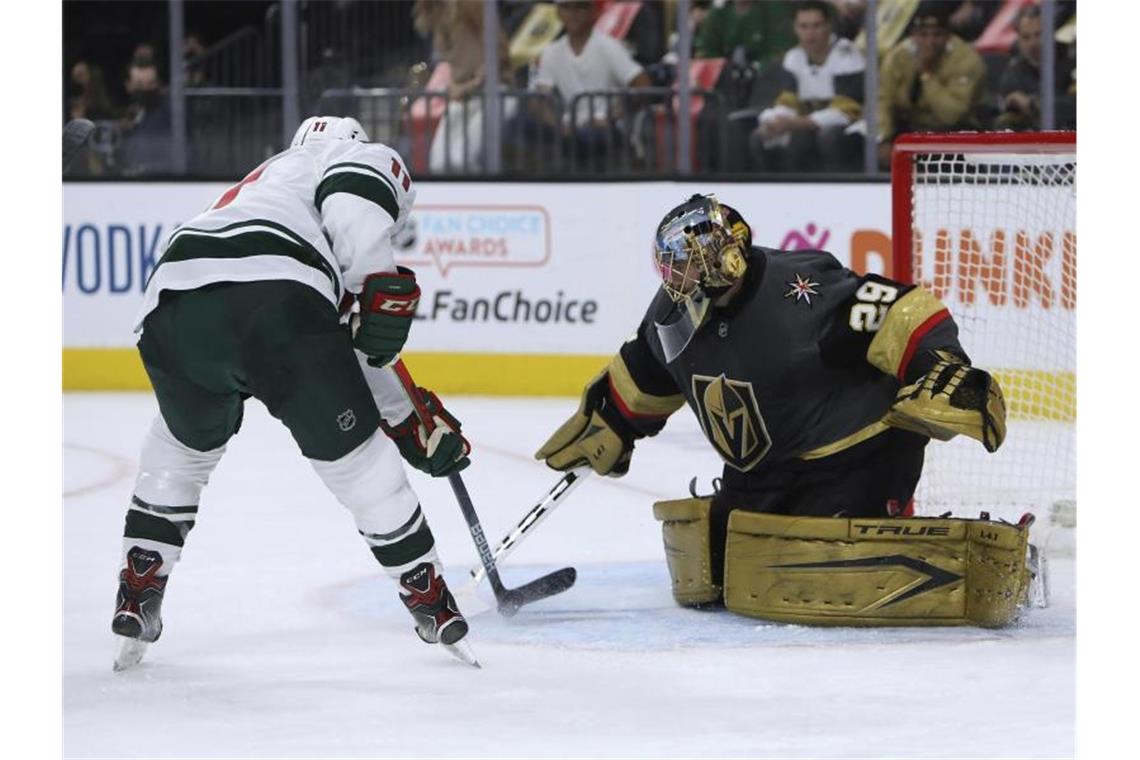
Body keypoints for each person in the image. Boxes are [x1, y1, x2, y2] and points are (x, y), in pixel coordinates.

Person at [111, 116, 477, 670]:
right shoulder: (346, 155)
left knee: (181, 449)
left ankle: (140, 586)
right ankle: (430, 600)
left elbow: (348, 337)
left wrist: (405, 414)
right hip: (280, 303)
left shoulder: (262, 183)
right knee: (361, 469)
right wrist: (379, 280)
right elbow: (353, 201)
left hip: (172, 304)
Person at [536, 194, 1007, 608]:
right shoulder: (672, 313)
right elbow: (647, 369)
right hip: (761, 469)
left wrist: (939, 366)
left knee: (826, 566)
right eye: (671, 264)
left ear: (726, 256)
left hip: (857, 453)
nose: (677, 276)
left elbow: (902, 311)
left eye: (688, 260)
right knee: (719, 576)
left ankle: (890, 513)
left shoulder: (802, 286)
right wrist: (612, 420)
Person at [527, 0, 651, 170]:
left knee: (579, 142)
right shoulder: (552, 52)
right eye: (567, 7)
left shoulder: (608, 47)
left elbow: (643, 85)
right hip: (570, 130)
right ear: (558, 12)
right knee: (518, 128)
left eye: (580, 7)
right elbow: (539, 99)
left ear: (593, 11)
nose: (573, 13)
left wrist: (612, 117)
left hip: (607, 131)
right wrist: (557, 126)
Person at [749, 1, 865, 172]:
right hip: (804, 124)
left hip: (850, 129)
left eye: (816, 26)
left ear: (829, 26)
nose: (810, 33)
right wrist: (775, 121)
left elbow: (847, 112)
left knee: (827, 137)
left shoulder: (847, 55)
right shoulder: (793, 58)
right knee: (760, 136)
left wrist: (796, 123)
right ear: (795, 29)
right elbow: (788, 101)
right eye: (804, 26)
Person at [875, 1, 987, 167]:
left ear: (948, 35)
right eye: (923, 34)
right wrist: (883, 138)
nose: (930, 42)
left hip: (955, 134)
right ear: (913, 35)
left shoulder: (966, 60)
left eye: (937, 34)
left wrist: (927, 75)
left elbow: (951, 115)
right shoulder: (897, 58)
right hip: (909, 128)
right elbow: (883, 102)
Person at [413, 0, 512, 173]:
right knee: (438, 162)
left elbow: (497, 50)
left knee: (462, 157)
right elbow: (452, 61)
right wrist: (454, 85)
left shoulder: (471, 3)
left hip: (492, 94)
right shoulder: (435, 10)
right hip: (462, 95)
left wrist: (472, 84)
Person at [996, 4, 1076, 131]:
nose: (1033, 43)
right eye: (1026, 37)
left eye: (1038, 34)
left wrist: (1033, 103)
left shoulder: (1073, 59)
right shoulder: (1014, 71)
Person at [693, 0, 796, 68]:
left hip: (765, 79)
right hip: (724, 79)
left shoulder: (775, 7)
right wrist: (722, 70)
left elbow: (779, 51)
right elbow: (706, 49)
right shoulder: (719, 8)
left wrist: (757, 68)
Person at [119, 60, 174, 175]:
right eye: (139, 84)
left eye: (151, 83)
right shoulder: (131, 113)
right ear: (128, 86)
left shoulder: (171, 115)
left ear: (158, 84)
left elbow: (178, 159)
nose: (145, 89)